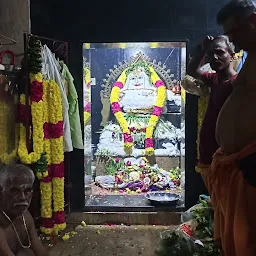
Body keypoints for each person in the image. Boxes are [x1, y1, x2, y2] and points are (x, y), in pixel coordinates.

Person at [198, 1, 256, 255]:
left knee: (246, 237)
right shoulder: (252, 57)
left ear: (253, 20)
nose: (236, 44)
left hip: (250, 166)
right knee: (237, 235)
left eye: (235, 33)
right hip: (238, 165)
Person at [184, 35, 237, 168]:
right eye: (210, 54)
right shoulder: (213, 79)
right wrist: (202, 50)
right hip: (208, 151)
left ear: (232, 56)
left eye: (219, 52)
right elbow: (192, 70)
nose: (214, 57)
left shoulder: (238, 83)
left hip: (226, 154)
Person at [0, 164, 48, 256]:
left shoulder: (25, 216)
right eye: (15, 191)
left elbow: (40, 252)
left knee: (26, 253)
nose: (23, 197)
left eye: (27, 191)